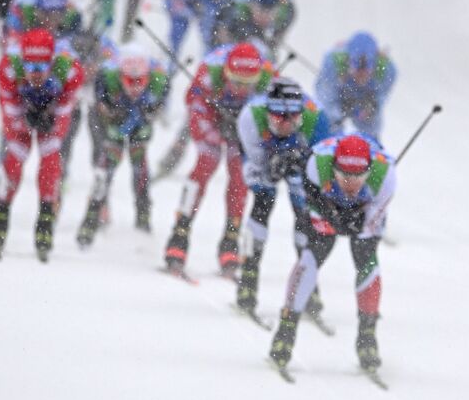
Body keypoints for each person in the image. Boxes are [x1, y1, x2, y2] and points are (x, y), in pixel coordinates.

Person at [265, 134, 395, 376]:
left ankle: (367, 335)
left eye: (359, 177)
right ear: (334, 167)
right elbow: (313, 203)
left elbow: (370, 224)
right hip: (325, 202)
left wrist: (357, 221)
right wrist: (332, 215)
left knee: (365, 255)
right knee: (313, 253)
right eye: (344, 175)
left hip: (366, 209)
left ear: (369, 171)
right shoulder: (316, 165)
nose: (351, 183)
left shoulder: (385, 176)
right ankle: (286, 329)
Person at [163, 42, 273, 275]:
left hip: (242, 126)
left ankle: (230, 238)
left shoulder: (269, 79)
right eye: (235, 82)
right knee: (204, 166)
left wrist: (246, 133)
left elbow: (271, 119)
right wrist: (214, 132)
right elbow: (193, 106)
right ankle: (179, 233)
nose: (241, 89)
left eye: (248, 84)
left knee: (239, 175)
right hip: (212, 119)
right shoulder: (208, 73)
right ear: (225, 73)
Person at [0, 28, 85, 261]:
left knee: (51, 158)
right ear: (23, 60)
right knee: (15, 157)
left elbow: (65, 113)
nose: (36, 73)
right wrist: (23, 122)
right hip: (22, 112)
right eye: (30, 67)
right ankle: (0, 215)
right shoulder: (9, 66)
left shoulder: (69, 69)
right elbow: (8, 113)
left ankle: (45, 219)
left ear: (52, 61)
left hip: (50, 115)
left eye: (42, 67)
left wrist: (50, 122)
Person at [234, 80, 330, 314]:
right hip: (263, 157)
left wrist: (300, 164)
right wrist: (273, 165)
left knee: (305, 218)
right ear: (268, 113)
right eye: (279, 119)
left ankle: (308, 284)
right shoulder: (250, 118)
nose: (287, 125)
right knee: (262, 203)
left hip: (303, 163)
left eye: (294, 119)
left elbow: (322, 167)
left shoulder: (317, 119)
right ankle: (248, 276)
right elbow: (254, 166)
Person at [78, 44, 169, 245]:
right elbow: (100, 104)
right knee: (107, 165)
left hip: (140, 121)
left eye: (139, 81)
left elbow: (161, 102)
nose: (135, 87)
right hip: (115, 121)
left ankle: (143, 216)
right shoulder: (107, 76)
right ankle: (92, 216)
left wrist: (151, 111)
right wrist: (112, 112)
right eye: (130, 81)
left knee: (139, 164)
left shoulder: (158, 78)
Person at [315, 31, 396, 142]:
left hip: (366, 98)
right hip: (339, 95)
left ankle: (371, 146)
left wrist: (372, 106)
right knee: (329, 125)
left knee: (371, 128)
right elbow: (324, 96)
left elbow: (382, 97)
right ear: (348, 61)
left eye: (366, 71)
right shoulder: (333, 63)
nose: (361, 76)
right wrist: (340, 110)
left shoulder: (387, 70)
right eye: (357, 70)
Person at [216, 0, 296, 50]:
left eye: (269, 13)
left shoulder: (286, 14)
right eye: (261, 12)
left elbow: (274, 45)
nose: (264, 17)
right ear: (251, 5)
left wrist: (271, 42)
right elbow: (222, 35)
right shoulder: (237, 10)